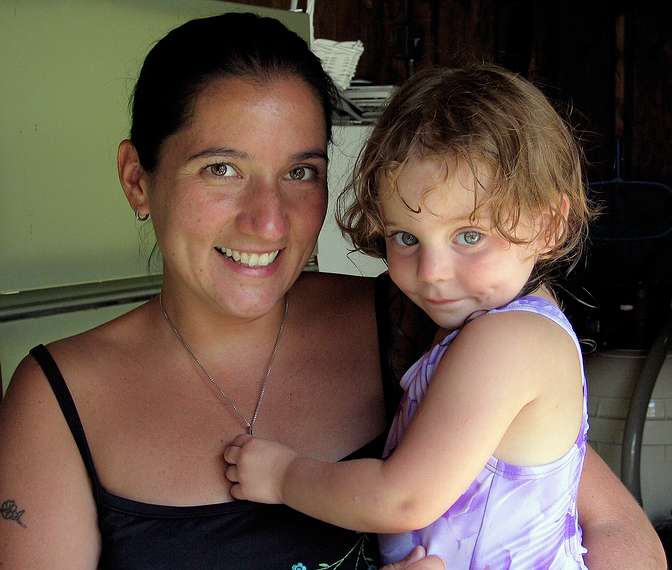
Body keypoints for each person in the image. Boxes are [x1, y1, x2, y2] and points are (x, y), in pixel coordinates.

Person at [0, 12, 664, 570]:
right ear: (137, 179)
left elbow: (614, 532)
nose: (267, 219)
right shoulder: (58, 400)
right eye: (222, 168)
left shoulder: (421, 319)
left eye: (301, 171)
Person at [223, 64, 666, 568]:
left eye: (469, 236)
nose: (432, 272)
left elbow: (404, 498)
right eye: (406, 237)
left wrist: (285, 477)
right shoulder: (490, 326)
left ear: (550, 224)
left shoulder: (509, 342)